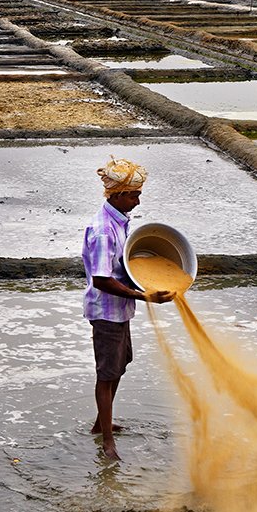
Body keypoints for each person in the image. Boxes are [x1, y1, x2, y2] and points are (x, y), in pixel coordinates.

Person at [81, 155, 173, 461]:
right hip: (107, 310)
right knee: (106, 374)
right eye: (134, 194)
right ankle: (106, 442)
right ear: (118, 195)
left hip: (120, 309)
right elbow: (102, 279)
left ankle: (100, 422)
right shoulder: (104, 231)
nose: (137, 200)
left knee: (119, 365)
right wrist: (144, 296)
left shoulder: (120, 223)